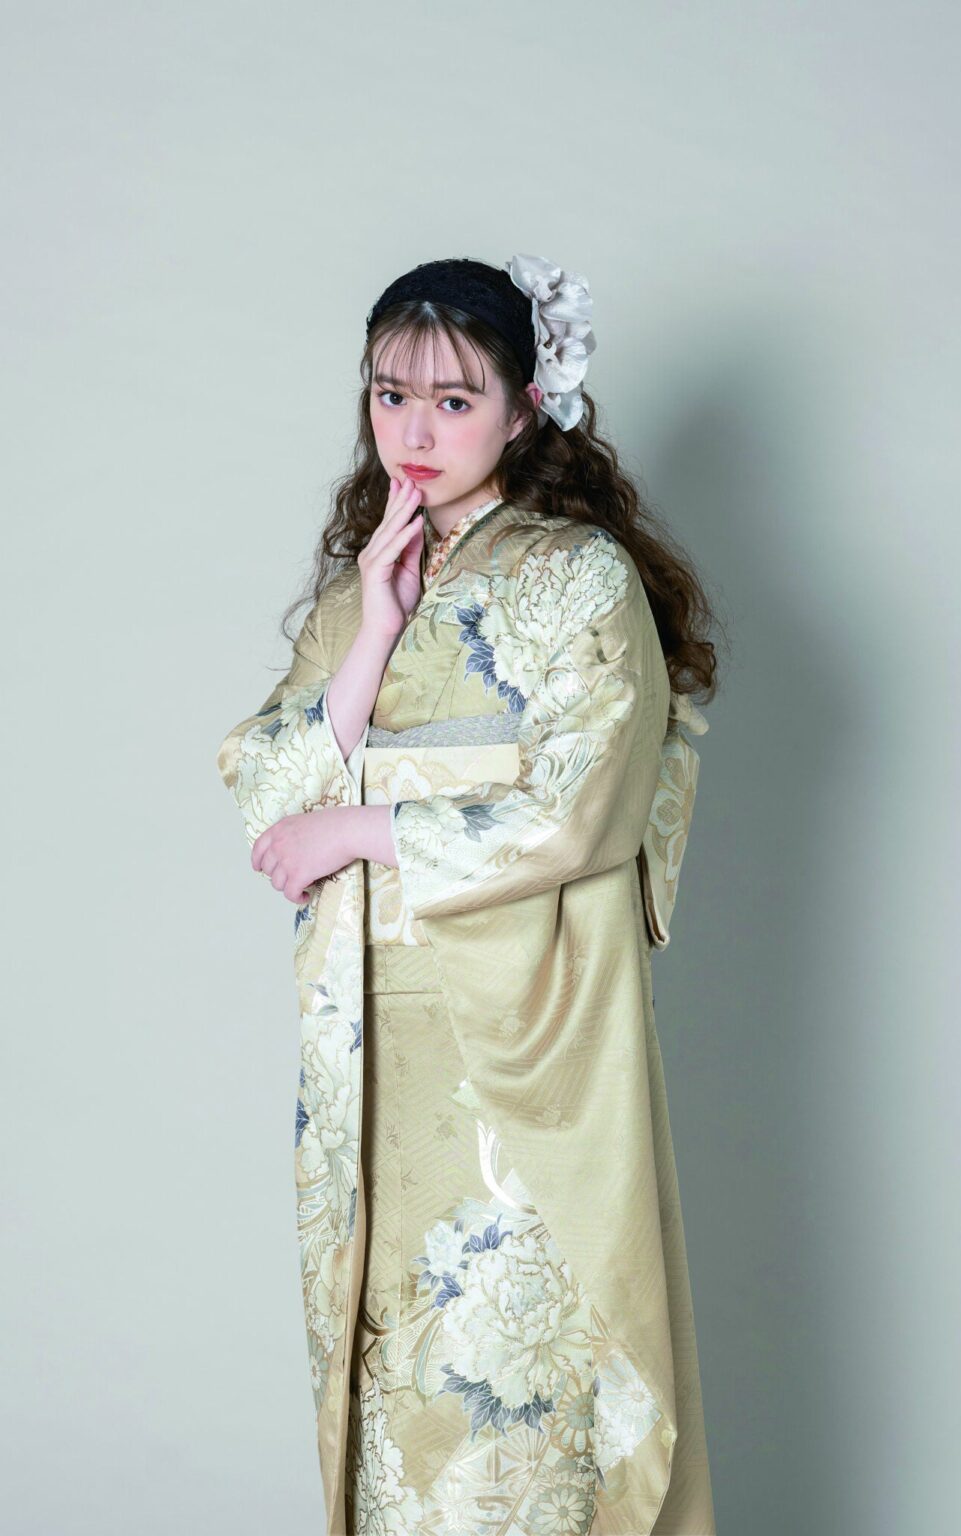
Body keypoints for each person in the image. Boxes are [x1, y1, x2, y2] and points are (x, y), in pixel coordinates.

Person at [215, 253, 722, 1535]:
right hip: (371, 1039)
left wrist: (366, 821)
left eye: (454, 400)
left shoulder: (578, 577)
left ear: (524, 407)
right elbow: (270, 803)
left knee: (511, 1379)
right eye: (392, 395)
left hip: (520, 1034)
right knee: (392, 1383)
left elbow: (581, 804)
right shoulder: (361, 588)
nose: (416, 430)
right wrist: (376, 628)